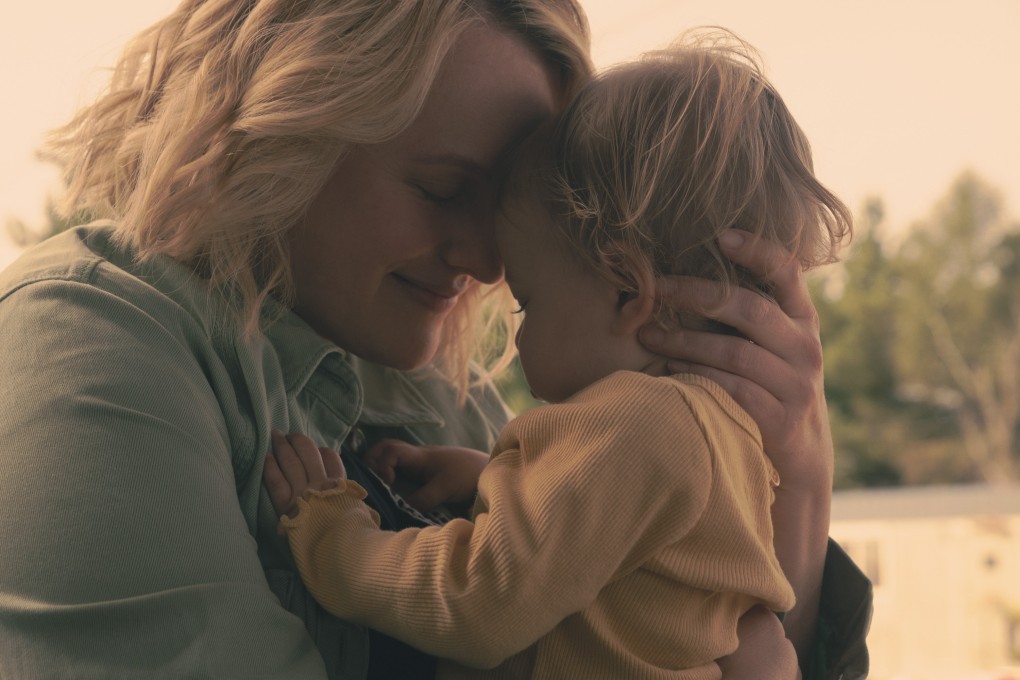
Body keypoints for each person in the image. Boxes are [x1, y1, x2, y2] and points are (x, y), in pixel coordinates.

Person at [0, 1, 870, 678]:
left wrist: (795, 491)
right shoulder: (87, 351)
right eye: (444, 187)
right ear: (285, 128)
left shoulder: (435, 392)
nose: (488, 260)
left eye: (504, 213)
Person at [262, 29, 848, 680]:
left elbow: (473, 603)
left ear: (629, 291)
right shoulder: (722, 435)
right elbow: (618, 560)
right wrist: (500, 478)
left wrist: (330, 528)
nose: (516, 333)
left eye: (528, 303)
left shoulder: (641, 424)